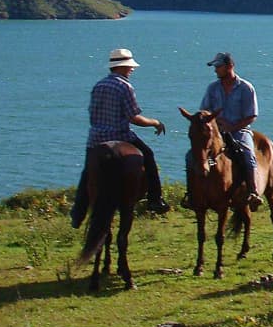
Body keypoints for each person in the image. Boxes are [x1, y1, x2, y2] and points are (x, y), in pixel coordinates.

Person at [71, 48, 170, 228]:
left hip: (96, 138)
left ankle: (78, 211)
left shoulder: (98, 85)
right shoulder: (125, 86)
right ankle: (156, 200)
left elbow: (92, 113)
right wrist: (155, 122)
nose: (132, 69)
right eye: (130, 67)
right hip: (120, 135)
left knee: (87, 173)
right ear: (122, 67)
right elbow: (134, 117)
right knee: (148, 155)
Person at [184, 52, 262, 209]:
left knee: (247, 154)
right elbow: (204, 112)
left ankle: (252, 192)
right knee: (191, 156)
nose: (216, 70)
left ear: (230, 66)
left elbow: (251, 115)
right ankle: (191, 194)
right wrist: (216, 122)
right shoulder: (212, 89)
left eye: (219, 66)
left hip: (240, 131)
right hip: (215, 131)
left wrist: (232, 127)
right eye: (216, 67)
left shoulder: (246, 88)